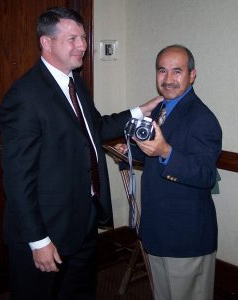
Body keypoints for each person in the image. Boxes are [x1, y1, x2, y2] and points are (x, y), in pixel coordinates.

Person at [0, 7, 161, 300]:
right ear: (46, 43)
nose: (83, 45)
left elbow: (94, 128)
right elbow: (18, 181)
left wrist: (139, 110)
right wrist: (38, 241)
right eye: (72, 38)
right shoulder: (24, 97)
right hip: (45, 229)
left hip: (82, 220)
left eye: (83, 37)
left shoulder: (76, 82)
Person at [115, 45, 222, 300]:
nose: (168, 79)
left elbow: (206, 174)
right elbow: (155, 153)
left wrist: (166, 152)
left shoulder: (202, 118)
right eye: (162, 71)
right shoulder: (163, 109)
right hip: (158, 230)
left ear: (192, 75)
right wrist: (130, 151)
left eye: (177, 71)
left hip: (185, 237)